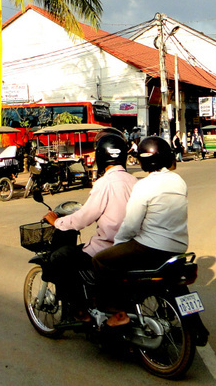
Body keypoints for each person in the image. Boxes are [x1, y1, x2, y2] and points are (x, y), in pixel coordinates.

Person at [93, 136, 188, 327]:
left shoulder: (143, 185)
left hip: (151, 247)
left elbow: (130, 225)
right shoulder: (179, 181)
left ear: (144, 160)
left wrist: (119, 244)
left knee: (100, 260)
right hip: (179, 247)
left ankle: (116, 311)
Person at [43, 133, 137, 321]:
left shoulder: (105, 183)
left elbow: (83, 218)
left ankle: (79, 311)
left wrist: (56, 222)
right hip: (133, 248)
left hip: (107, 250)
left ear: (101, 157)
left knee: (61, 257)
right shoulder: (134, 181)